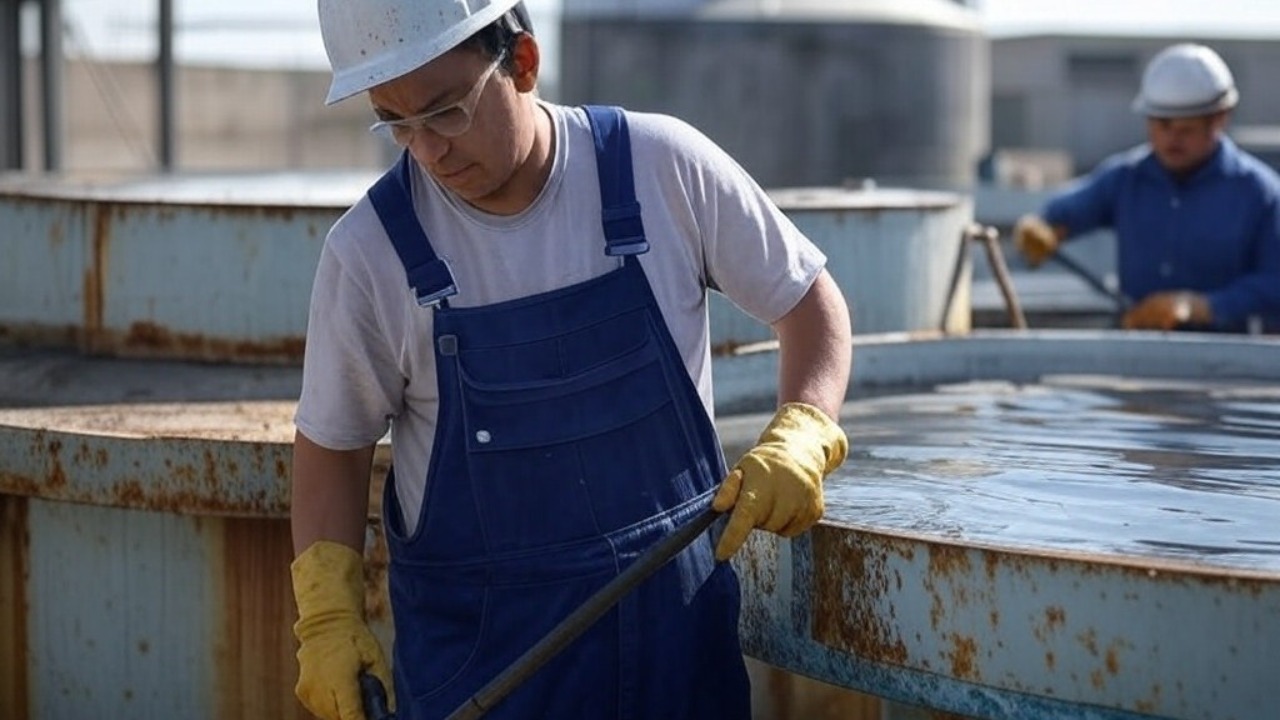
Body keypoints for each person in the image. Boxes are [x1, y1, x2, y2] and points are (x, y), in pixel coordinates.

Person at [288, 1, 853, 718]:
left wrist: (804, 425)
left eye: (446, 113)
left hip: (679, 662)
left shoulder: (659, 169)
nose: (428, 151)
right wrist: (327, 617)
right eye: (395, 122)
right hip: (486, 676)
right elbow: (333, 446)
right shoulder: (369, 255)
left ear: (521, 62)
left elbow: (810, 303)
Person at [1013, 42, 1280, 333]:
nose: (1172, 139)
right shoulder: (1125, 179)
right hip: (1135, 353)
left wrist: (1201, 306)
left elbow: (1274, 282)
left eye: (1186, 129)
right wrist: (1043, 227)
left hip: (1230, 364)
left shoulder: (1260, 193)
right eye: (1162, 125)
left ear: (1219, 119)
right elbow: (1067, 212)